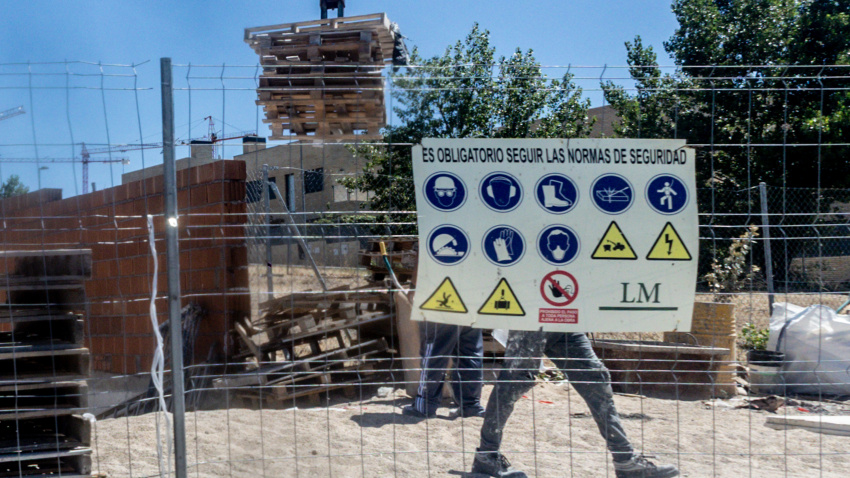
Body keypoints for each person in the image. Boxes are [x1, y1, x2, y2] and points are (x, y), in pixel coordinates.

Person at [471, 331, 679, 478]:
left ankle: (625, 460)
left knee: (596, 379)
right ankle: (486, 454)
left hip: (567, 314)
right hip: (534, 314)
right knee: (514, 381)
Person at [402, 322, 486, 419]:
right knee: (470, 353)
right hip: (472, 311)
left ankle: (425, 405)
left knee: (435, 350)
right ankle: (471, 406)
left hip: (442, 311)